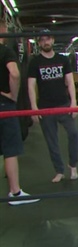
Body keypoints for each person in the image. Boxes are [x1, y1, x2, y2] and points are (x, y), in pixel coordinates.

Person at [27, 29, 78, 183]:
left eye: (47, 39)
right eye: (42, 40)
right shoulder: (35, 62)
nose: (45, 42)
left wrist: (74, 102)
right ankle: (59, 171)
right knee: (52, 141)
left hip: (64, 104)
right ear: (39, 43)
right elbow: (31, 86)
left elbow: (70, 82)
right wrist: (34, 108)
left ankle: (73, 165)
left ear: (53, 40)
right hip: (45, 108)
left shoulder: (63, 60)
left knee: (74, 134)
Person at [0, 21, 39, 205]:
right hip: (4, 105)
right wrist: (12, 95)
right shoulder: (6, 51)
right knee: (10, 150)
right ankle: (15, 193)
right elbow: (15, 74)